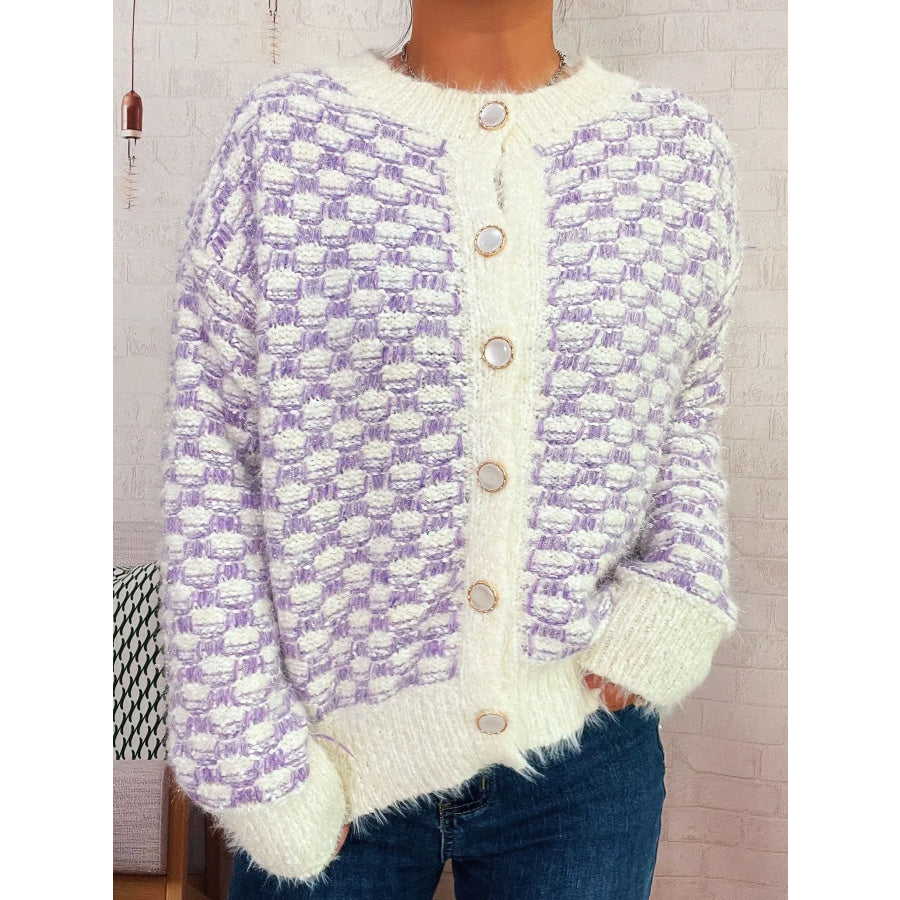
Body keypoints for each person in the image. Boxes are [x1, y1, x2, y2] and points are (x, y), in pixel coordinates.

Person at [159, 1, 744, 897]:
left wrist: (681, 587)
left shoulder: (677, 153)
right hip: (326, 767)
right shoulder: (285, 142)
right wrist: (247, 753)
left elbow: (686, 412)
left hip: (584, 753)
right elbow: (211, 465)